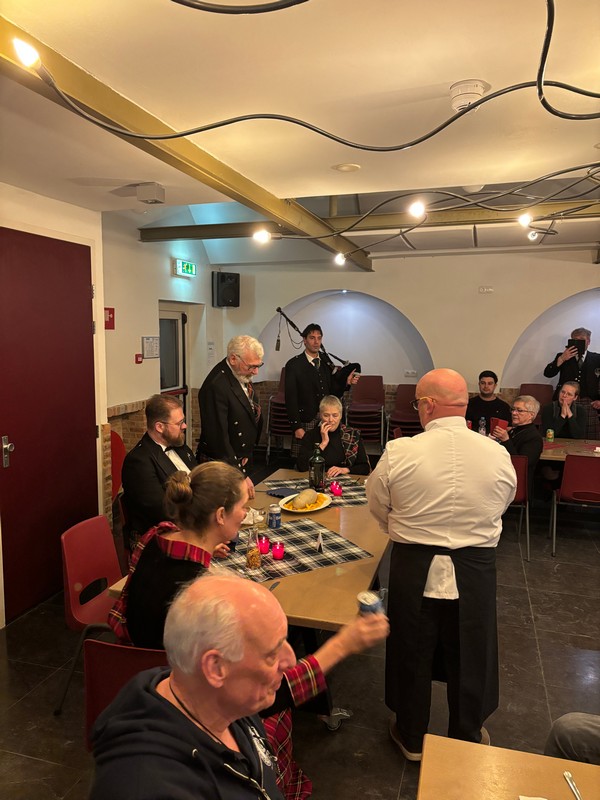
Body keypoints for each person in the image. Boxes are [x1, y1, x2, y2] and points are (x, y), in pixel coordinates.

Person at [96, 572, 389, 800]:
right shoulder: (148, 787)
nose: (290, 660)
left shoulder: (212, 696)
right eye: (272, 653)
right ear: (215, 667)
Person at [366, 368, 516, 761]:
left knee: (412, 646)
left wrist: (404, 528)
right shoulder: (497, 454)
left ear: (429, 405)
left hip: (414, 562)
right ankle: (466, 736)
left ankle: (411, 736)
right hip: (475, 566)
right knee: (471, 649)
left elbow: (377, 504)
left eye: (418, 403)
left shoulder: (400, 452)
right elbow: (503, 503)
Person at [109, 461, 244, 648]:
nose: (245, 513)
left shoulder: (156, 534)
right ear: (220, 515)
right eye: (243, 506)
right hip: (166, 663)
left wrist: (208, 550)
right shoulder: (202, 589)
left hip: (128, 650)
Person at [121, 394, 197, 546]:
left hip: (192, 524)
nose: (184, 426)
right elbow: (164, 512)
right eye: (179, 423)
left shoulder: (179, 446)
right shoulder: (138, 462)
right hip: (158, 539)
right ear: (160, 427)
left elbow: (199, 481)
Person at [196, 335, 264, 499]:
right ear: (233, 359)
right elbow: (218, 437)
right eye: (252, 366)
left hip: (241, 457)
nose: (256, 372)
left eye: (258, 365)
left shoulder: (239, 373)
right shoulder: (215, 386)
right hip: (223, 463)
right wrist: (239, 473)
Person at [285, 323, 360, 458]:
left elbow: (333, 392)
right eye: (312, 338)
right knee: (303, 458)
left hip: (326, 417)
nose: (316, 342)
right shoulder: (294, 365)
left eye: (319, 338)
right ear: (304, 340)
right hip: (306, 419)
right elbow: (291, 398)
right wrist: (296, 426)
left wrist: (346, 383)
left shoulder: (325, 361)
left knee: (326, 455)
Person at [543, 326, 600, 438]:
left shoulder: (597, 359)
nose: (577, 343)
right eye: (574, 340)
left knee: (589, 438)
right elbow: (548, 373)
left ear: (588, 341)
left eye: (581, 340)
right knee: (562, 433)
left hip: (589, 403)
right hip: (565, 400)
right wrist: (562, 359)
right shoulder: (562, 356)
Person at [296, 395, 370, 476]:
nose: (331, 420)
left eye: (335, 415)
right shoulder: (311, 435)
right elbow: (301, 466)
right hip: (318, 477)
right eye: (326, 415)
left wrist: (345, 469)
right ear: (320, 415)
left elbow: (365, 468)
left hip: (344, 478)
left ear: (340, 416)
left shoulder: (353, 435)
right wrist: (323, 443)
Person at [491, 395, 544, 492]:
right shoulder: (514, 430)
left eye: (519, 410)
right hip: (503, 478)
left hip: (517, 485)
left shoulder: (534, 437)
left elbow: (520, 465)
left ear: (531, 415)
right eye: (513, 409)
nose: (514, 413)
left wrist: (506, 440)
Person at [465, 370, 512, 435]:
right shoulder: (468, 404)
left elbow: (508, 428)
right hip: (472, 439)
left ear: (495, 385)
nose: (486, 386)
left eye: (490, 383)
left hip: (495, 440)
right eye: (483, 383)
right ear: (479, 384)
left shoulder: (504, 407)